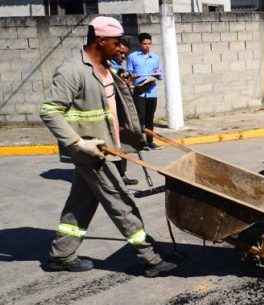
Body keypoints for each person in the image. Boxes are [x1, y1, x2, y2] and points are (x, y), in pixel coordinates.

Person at [39, 17, 177, 277]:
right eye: (117, 43)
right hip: (93, 152)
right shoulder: (72, 71)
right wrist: (78, 143)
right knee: (121, 201)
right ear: (100, 41)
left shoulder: (106, 68)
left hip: (110, 146)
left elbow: (112, 109)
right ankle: (150, 258)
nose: (122, 49)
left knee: (81, 203)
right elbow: (49, 111)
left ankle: (61, 254)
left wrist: (132, 132)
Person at [109, 38, 138, 186]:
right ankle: (114, 176)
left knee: (123, 144)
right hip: (110, 112)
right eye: (121, 53)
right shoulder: (107, 67)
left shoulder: (120, 67)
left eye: (125, 54)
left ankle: (122, 174)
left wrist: (128, 84)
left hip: (121, 111)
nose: (123, 57)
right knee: (113, 146)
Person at [127, 32, 163, 150]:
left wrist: (155, 76)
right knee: (140, 118)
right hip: (139, 91)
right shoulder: (132, 57)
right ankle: (140, 143)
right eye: (144, 44)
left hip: (152, 92)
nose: (147, 46)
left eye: (149, 44)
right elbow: (129, 74)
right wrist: (134, 78)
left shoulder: (156, 58)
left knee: (150, 119)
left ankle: (150, 141)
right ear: (140, 44)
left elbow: (159, 74)